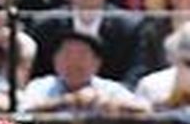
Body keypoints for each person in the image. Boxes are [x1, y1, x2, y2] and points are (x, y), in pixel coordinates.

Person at [26, 0, 146, 87]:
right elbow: (36, 74)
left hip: (111, 103)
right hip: (55, 102)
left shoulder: (130, 27)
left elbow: (135, 73)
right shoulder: (45, 26)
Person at [22, 26, 150, 117]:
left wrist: (110, 103)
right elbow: (24, 110)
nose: (73, 61)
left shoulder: (109, 88)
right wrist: (69, 100)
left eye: (82, 55)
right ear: (55, 60)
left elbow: (144, 109)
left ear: (97, 63)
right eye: (67, 54)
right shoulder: (41, 85)